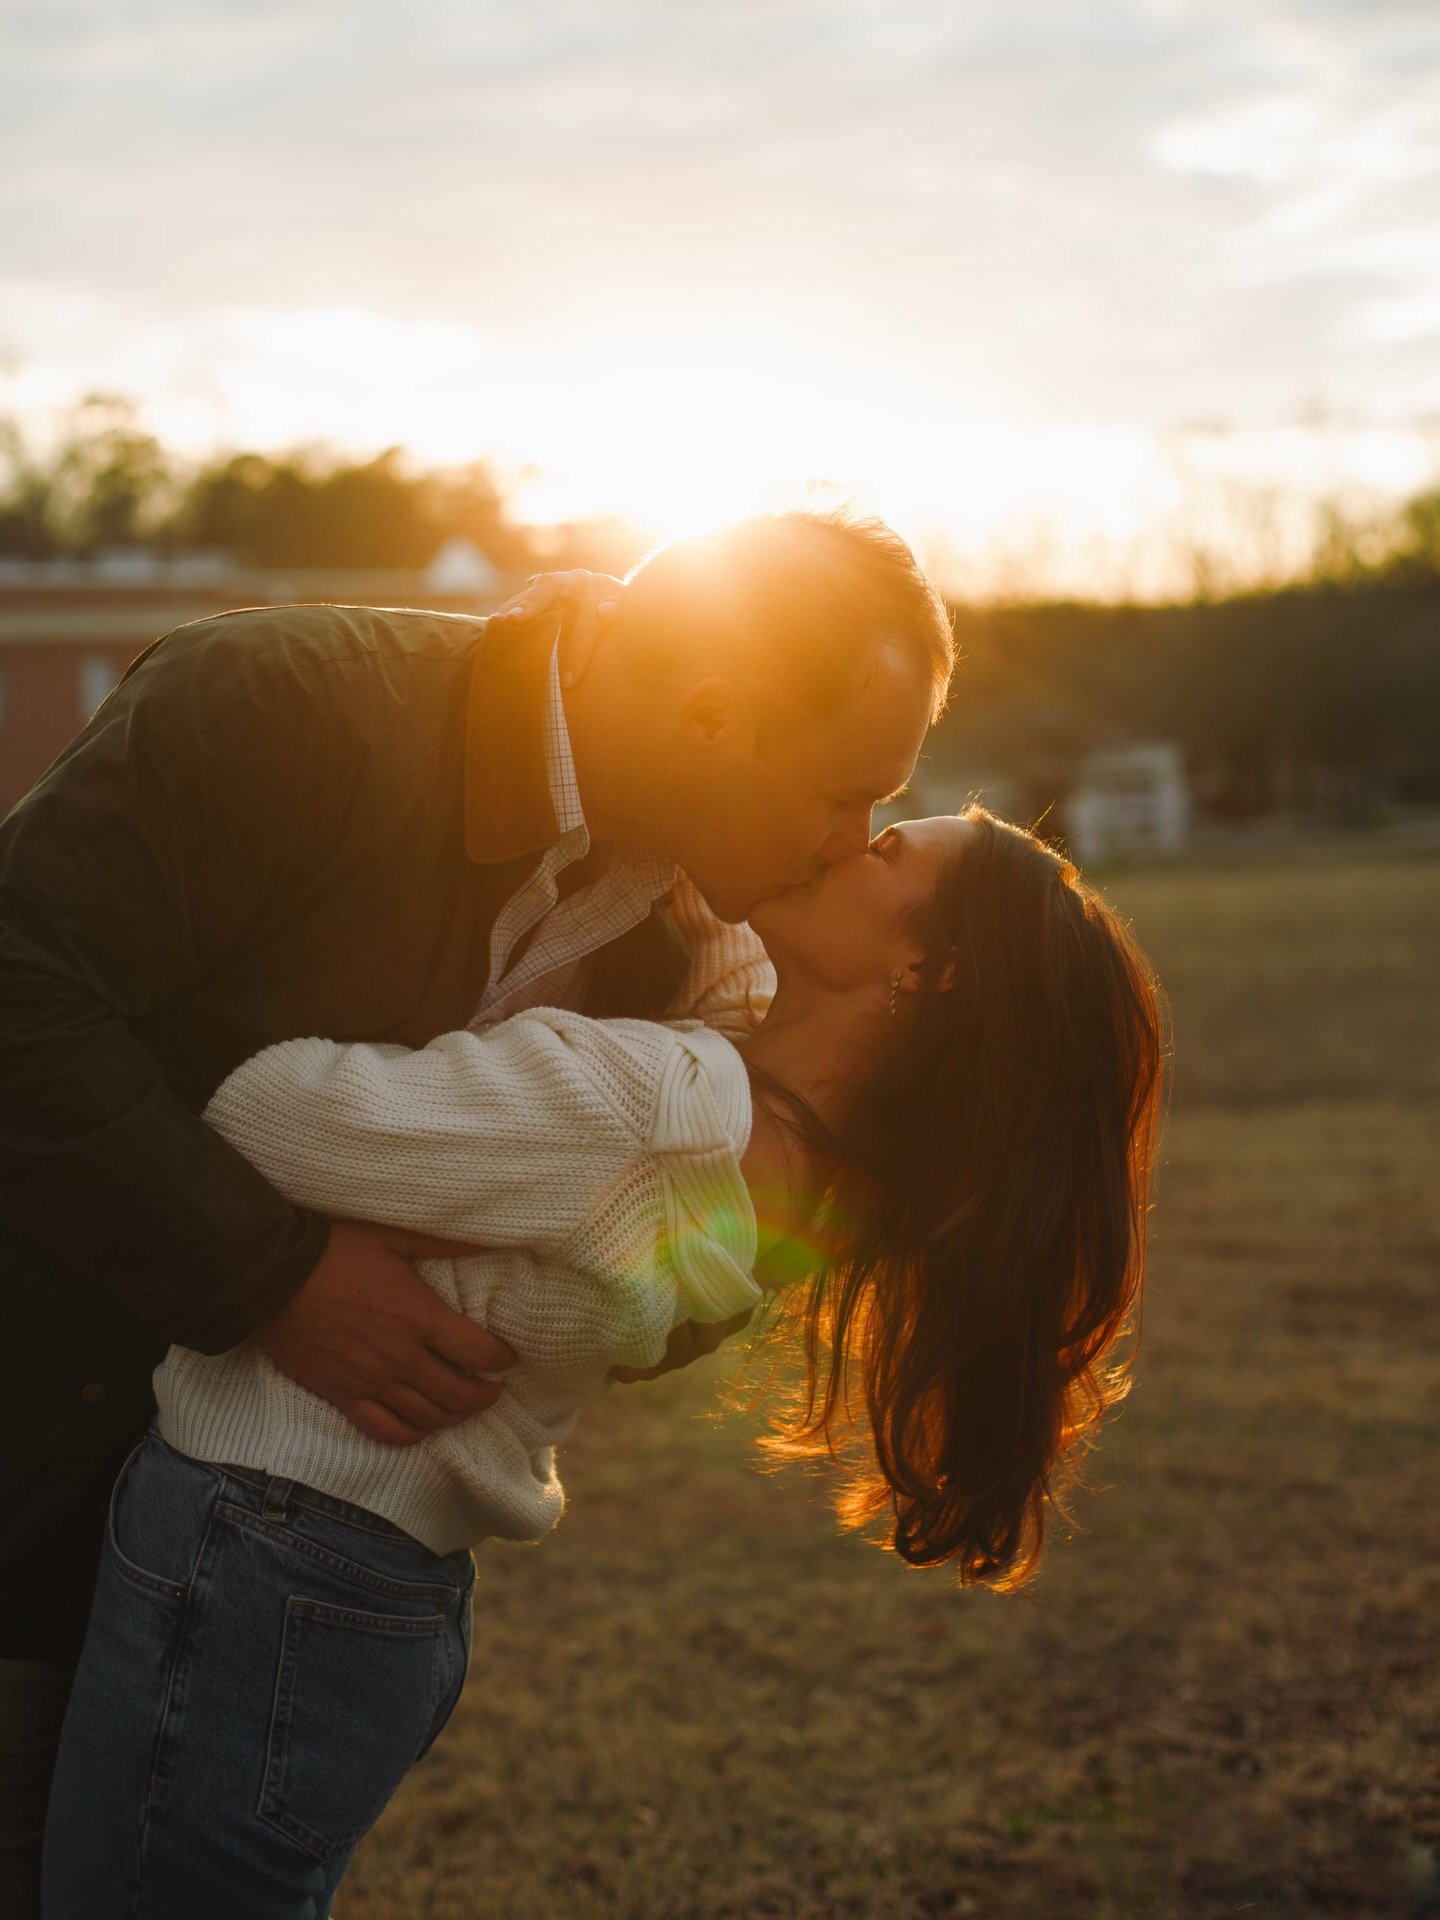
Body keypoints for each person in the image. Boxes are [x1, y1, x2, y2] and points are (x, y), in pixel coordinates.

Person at [0, 511, 952, 1909]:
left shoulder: (687, 927)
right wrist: (273, 1278)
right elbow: (19, 986)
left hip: (281, 1566)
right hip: (33, 1468)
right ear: (710, 712)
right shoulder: (287, 708)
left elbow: (640, 1280)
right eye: (844, 793)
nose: (849, 840)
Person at [41, 803, 1165, 1916]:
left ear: (931, 968)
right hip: (373, 1593)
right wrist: (702, 845)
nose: (838, 834)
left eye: (883, 850)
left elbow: (257, 1123)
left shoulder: (643, 1112)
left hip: (260, 1552)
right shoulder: (808, 1162)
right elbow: (734, 1014)